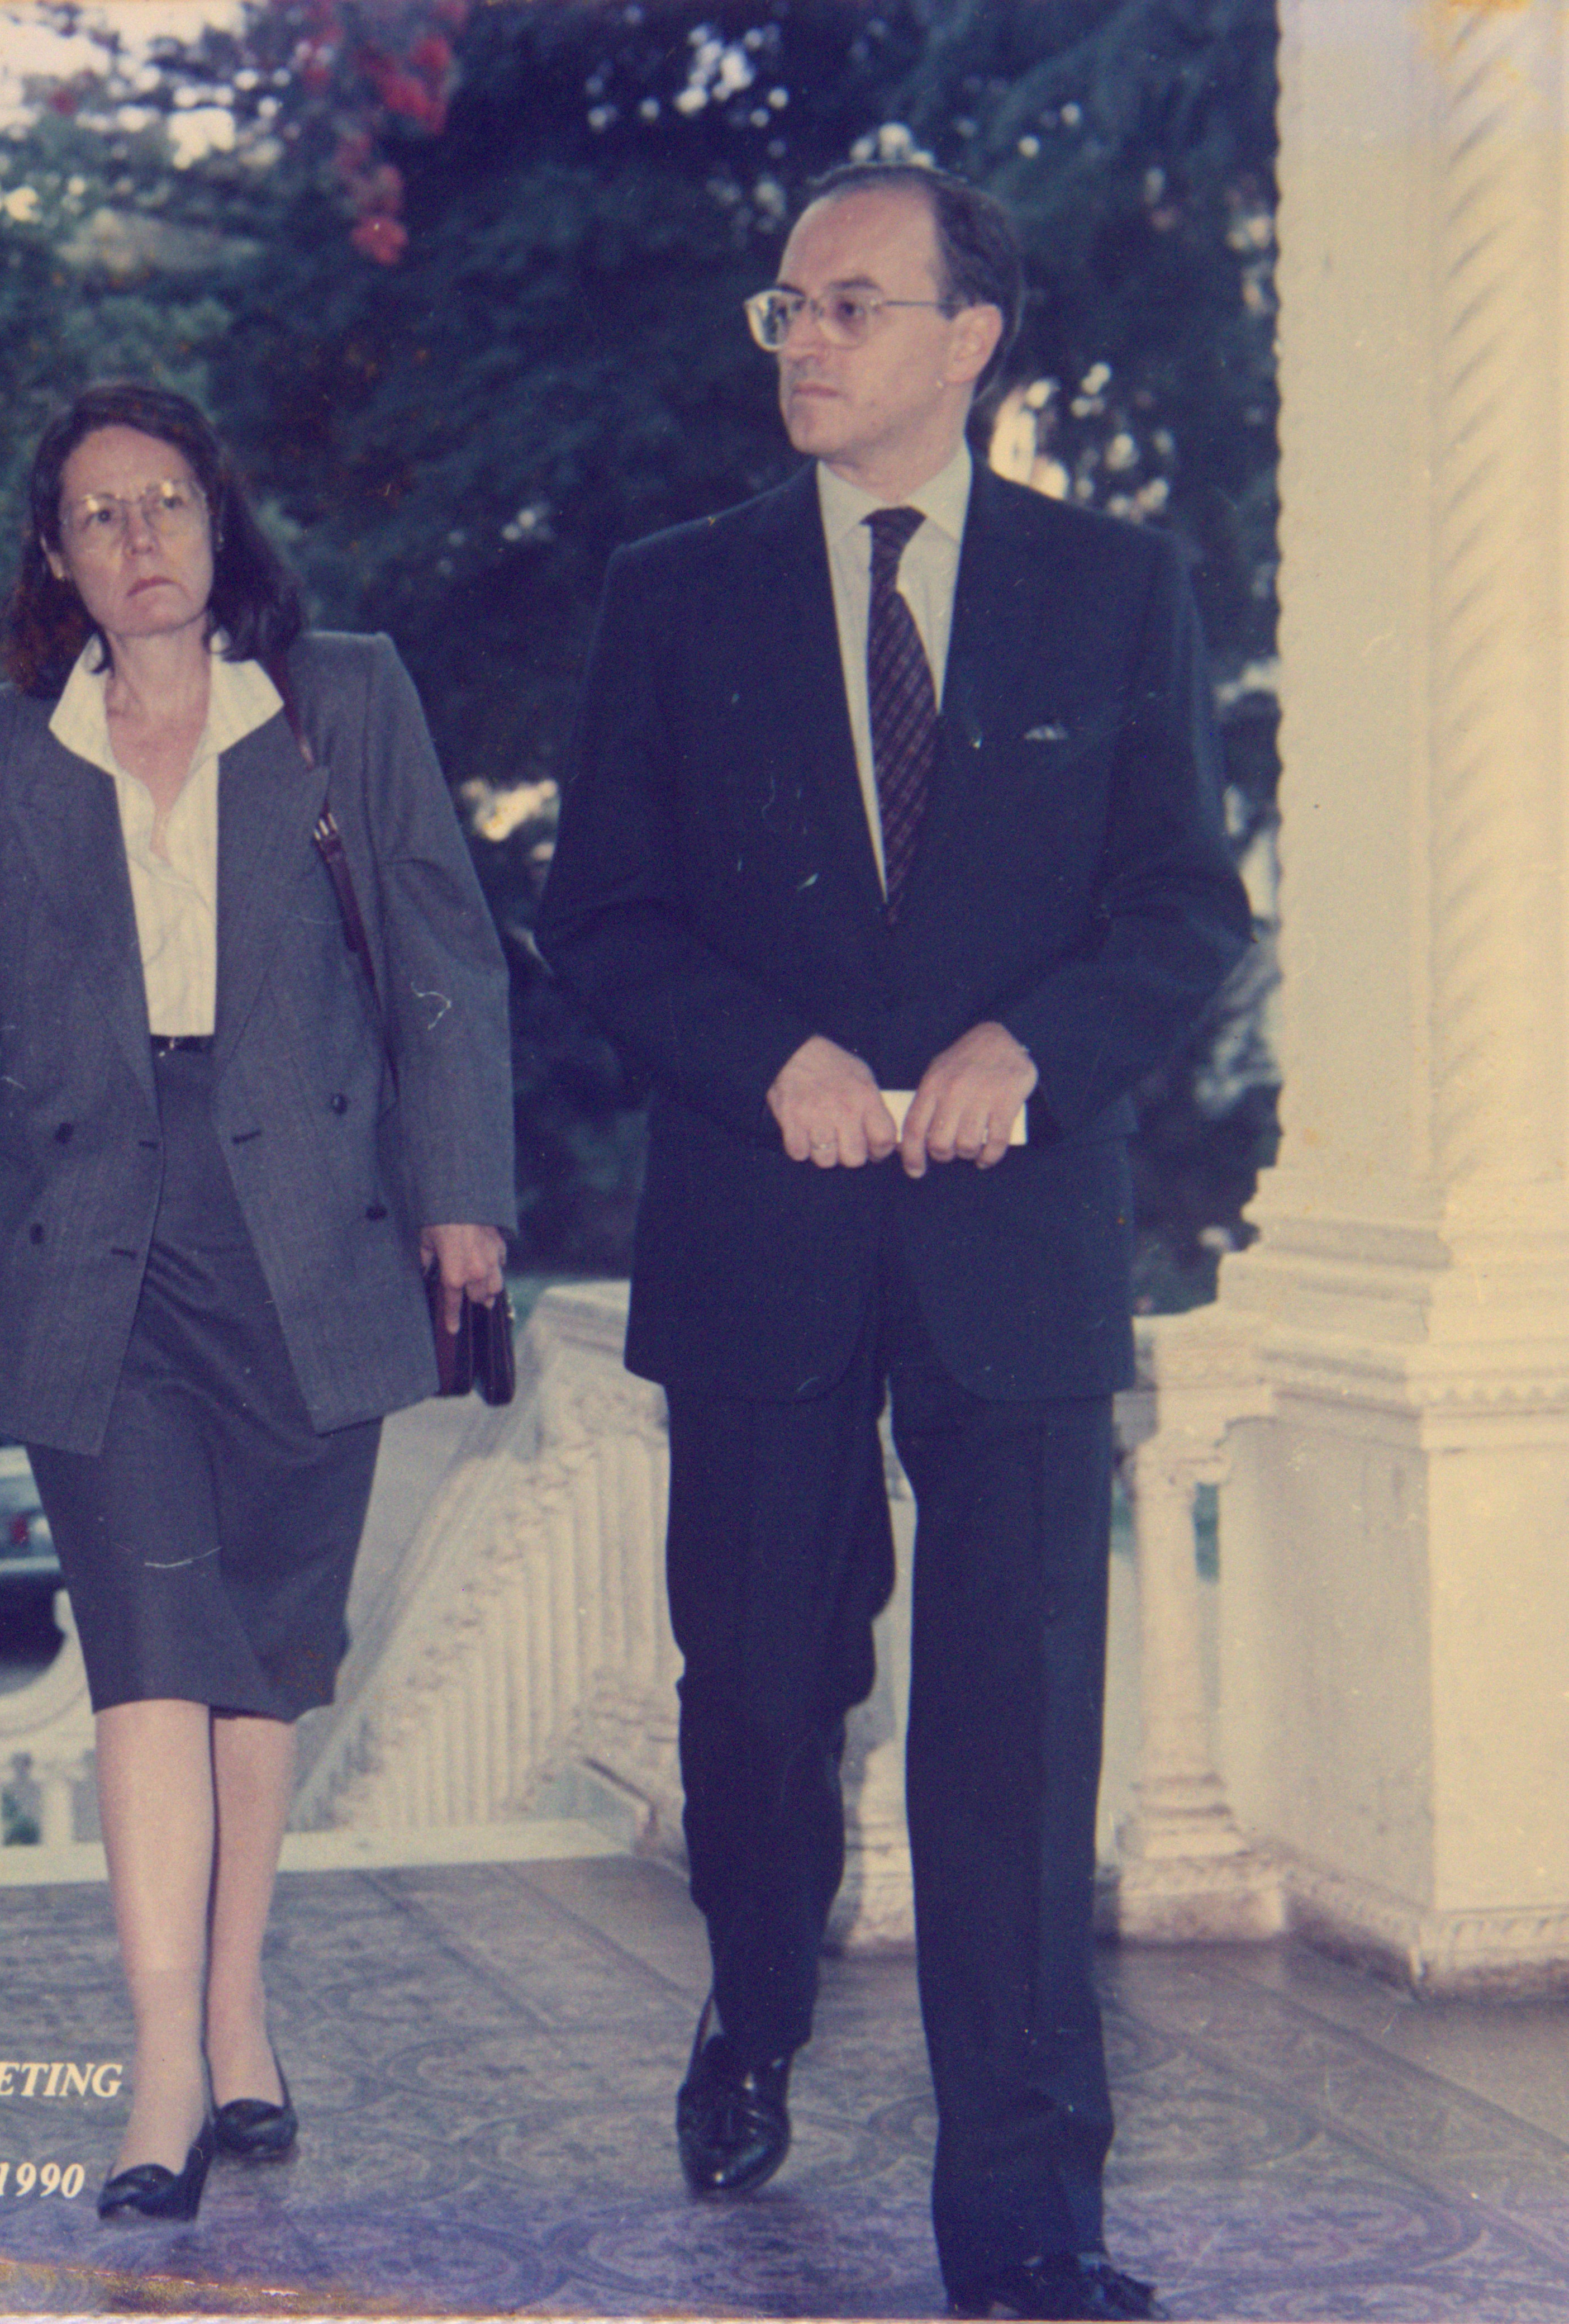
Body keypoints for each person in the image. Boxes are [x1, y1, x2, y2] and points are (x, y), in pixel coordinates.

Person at [536, 164, 1250, 2320]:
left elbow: (1186, 918)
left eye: (852, 305)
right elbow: (605, 921)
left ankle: (1029, 2225)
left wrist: (1028, 1046)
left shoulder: (1118, 592)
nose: (804, 341)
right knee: (759, 1701)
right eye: (787, 308)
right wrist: (780, 1062)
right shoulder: (677, 595)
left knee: (1015, 1731)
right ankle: (756, 1995)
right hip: (763, 1236)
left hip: (1018, 1248)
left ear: (972, 341)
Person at [0, 382, 515, 2221]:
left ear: (216, 517)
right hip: (89, 1241)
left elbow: (442, 961)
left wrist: (463, 1201)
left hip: (311, 1231)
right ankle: (163, 2063)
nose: (139, 541)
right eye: (97, 515)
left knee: (262, 1669)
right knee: (152, 1657)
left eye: (165, 502)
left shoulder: (342, 701)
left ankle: (236, 2001)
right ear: (54, 556)